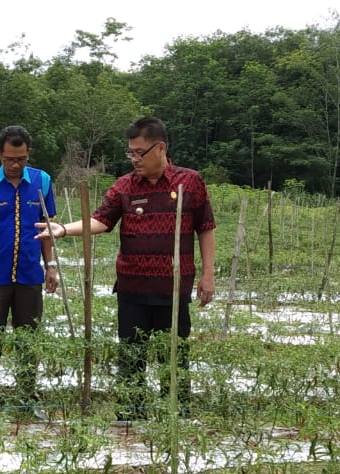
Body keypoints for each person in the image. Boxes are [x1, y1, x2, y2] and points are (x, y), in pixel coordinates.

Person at [35, 116, 215, 420]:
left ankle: (177, 417)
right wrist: (63, 229)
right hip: (132, 288)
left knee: (174, 357)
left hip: (174, 289)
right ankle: (131, 420)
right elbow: (101, 221)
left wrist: (208, 274)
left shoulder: (190, 182)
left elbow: (205, 228)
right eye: (130, 152)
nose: (134, 159)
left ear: (161, 148)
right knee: (131, 359)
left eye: (139, 152)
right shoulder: (124, 186)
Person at [0, 125, 58, 412]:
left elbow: (48, 229)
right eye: (9, 159)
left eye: (21, 159)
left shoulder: (42, 182)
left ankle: (26, 398)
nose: (16, 165)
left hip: (30, 275)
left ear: (28, 154)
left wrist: (51, 267)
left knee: (28, 339)